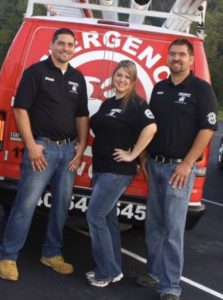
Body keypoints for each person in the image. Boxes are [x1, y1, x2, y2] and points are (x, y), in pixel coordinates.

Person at [0, 28, 89, 281]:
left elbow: (82, 115)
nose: (65, 48)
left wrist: (81, 146)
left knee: (61, 207)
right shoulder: (35, 73)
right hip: (42, 149)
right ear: (52, 45)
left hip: (68, 151)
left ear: (75, 48)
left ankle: (51, 253)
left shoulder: (78, 78)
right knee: (25, 205)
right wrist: (31, 144)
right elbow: (20, 109)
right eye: (61, 43)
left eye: (70, 44)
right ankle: (7, 256)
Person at [136, 39, 217, 300]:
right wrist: (145, 156)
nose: (176, 58)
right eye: (172, 54)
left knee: (172, 230)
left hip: (178, 170)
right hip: (156, 165)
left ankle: (171, 286)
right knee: (154, 225)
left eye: (182, 55)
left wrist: (186, 163)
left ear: (191, 60)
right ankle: (154, 273)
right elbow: (151, 125)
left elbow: (207, 130)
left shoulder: (202, 90)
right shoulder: (159, 88)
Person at [86, 60, 157, 288]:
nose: (122, 80)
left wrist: (133, 154)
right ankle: (113, 268)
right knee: (107, 219)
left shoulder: (136, 104)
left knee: (94, 216)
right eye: (119, 75)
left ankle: (106, 272)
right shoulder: (108, 103)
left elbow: (151, 127)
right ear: (113, 77)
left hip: (117, 171)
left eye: (127, 77)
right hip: (102, 168)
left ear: (133, 81)